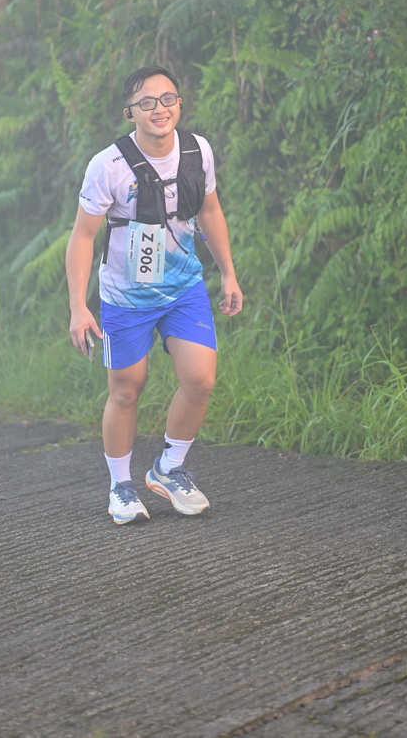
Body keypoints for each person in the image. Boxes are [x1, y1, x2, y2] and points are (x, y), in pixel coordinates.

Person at [65, 65, 243, 525]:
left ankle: (169, 468)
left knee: (201, 379)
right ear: (130, 113)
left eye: (167, 99)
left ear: (179, 103)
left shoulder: (197, 151)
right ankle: (120, 486)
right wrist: (78, 307)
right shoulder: (108, 165)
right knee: (127, 389)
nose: (159, 109)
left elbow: (210, 210)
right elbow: (82, 236)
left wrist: (228, 273)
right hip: (125, 297)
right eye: (146, 102)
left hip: (183, 287)